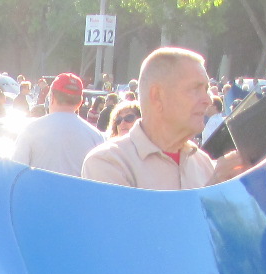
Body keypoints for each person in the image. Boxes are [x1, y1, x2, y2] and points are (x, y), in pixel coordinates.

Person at [83, 47, 247, 190]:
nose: (208, 100)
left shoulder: (202, 162)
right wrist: (213, 191)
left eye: (206, 89)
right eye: (195, 89)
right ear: (157, 96)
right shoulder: (109, 162)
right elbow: (129, 226)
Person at [9, 72, 103, 177]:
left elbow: (15, 175)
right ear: (80, 102)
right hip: (77, 193)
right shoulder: (96, 136)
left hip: (38, 193)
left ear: (51, 97)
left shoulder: (30, 130)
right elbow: (101, 180)